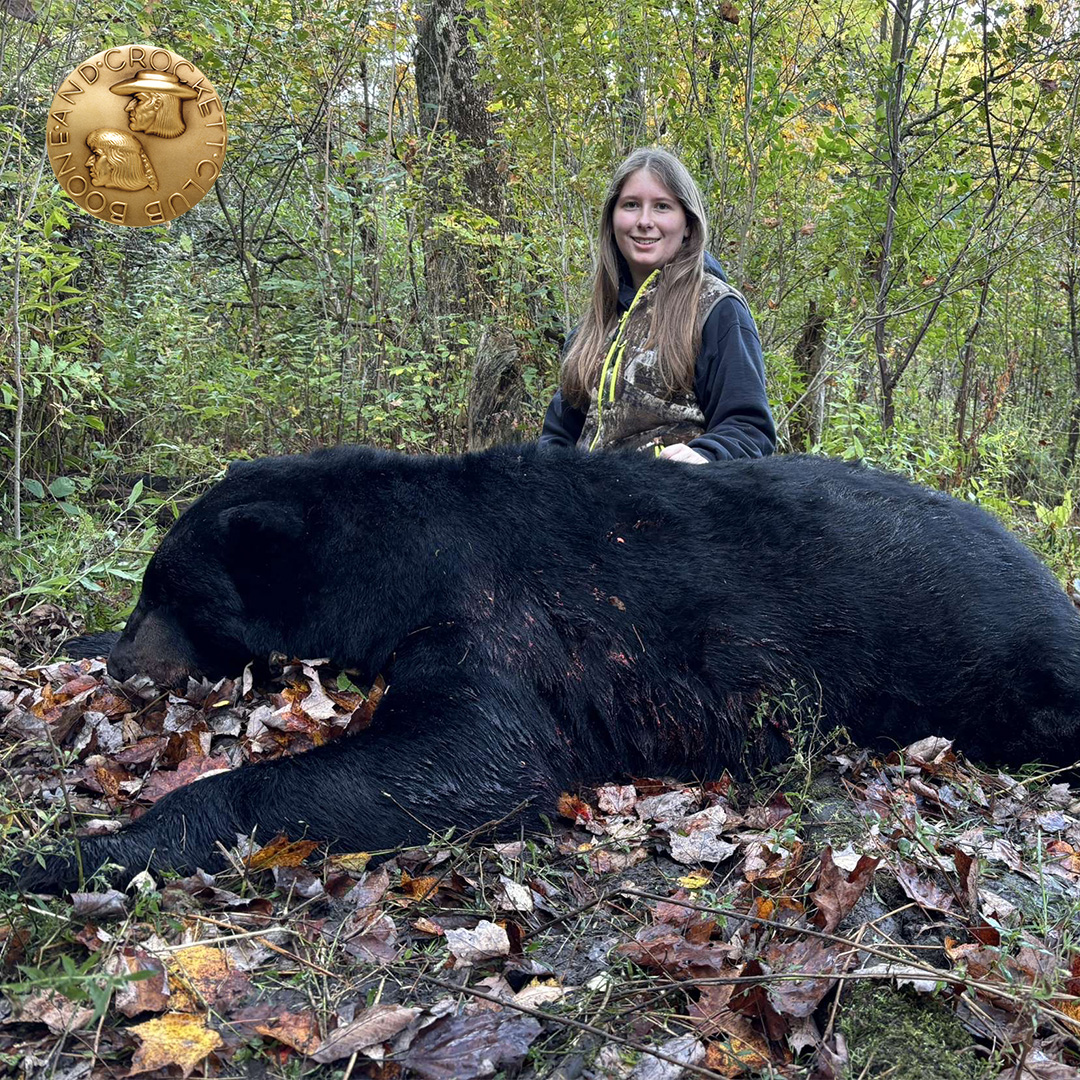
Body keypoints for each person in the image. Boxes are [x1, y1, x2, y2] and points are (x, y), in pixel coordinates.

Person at [539, 148, 775, 463]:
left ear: (688, 223)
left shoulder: (717, 310)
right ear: (612, 220)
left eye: (662, 207)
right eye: (631, 205)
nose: (645, 221)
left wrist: (704, 455)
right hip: (590, 506)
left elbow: (751, 430)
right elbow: (557, 437)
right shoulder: (592, 327)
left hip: (678, 503)